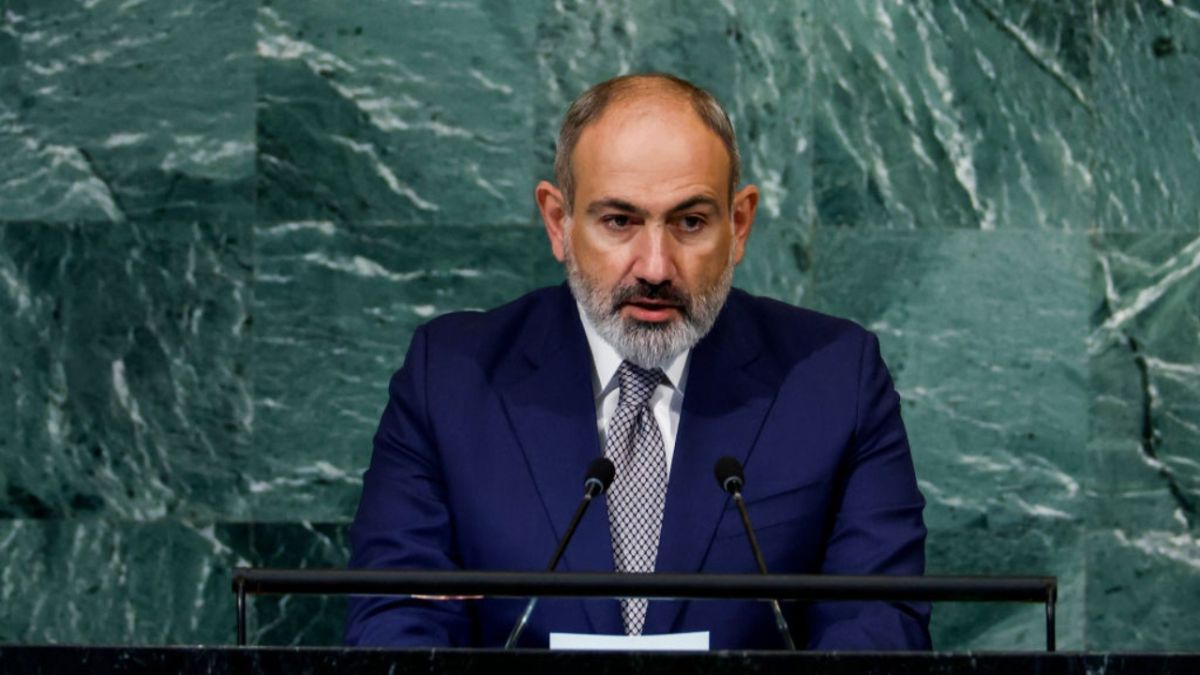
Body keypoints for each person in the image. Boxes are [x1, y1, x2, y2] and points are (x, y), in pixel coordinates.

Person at [345, 73, 931, 650]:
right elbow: (397, 624)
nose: (655, 267)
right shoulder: (451, 378)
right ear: (558, 222)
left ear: (739, 224)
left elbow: (878, 627)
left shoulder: (834, 380)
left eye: (690, 222)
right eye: (619, 221)